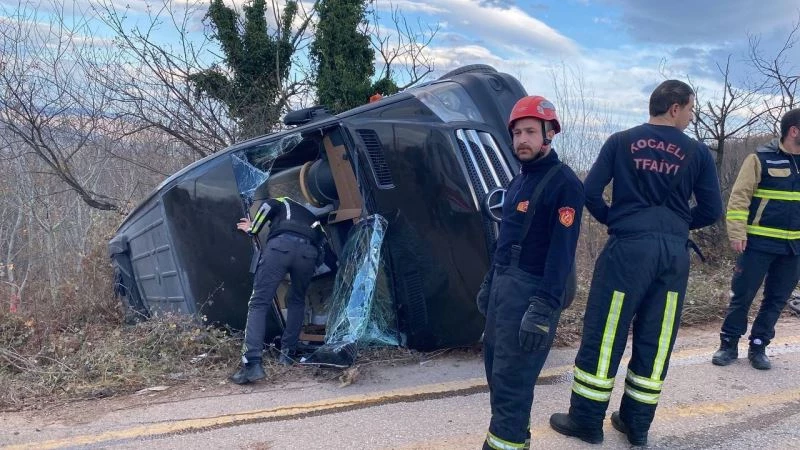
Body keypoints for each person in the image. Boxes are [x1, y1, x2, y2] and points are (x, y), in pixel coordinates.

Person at [548, 80, 723, 446]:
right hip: (673, 255)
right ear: (674, 107)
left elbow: (590, 193)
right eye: (690, 109)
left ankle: (586, 421)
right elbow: (711, 210)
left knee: (607, 331)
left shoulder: (620, 141)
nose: (691, 117)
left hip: (627, 249)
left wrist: (616, 219)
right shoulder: (699, 154)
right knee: (657, 339)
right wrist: (673, 226)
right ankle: (636, 425)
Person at [476, 95, 584, 450]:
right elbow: (505, 241)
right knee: (498, 375)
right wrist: (490, 282)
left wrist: (544, 307)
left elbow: (561, 254)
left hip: (531, 298)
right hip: (503, 294)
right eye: (517, 133)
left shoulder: (564, 183)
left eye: (530, 132)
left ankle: (503, 444)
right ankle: (515, 436)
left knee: (512, 386)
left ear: (549, 134)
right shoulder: (518, 181)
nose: (521, 140)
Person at [712, 108, 800, 370]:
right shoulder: (759, 158)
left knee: (776, 299)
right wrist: (737, 233)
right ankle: (728, 344)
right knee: (743, 295)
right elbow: (740, 197)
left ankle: (759, 345)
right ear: (794, 131)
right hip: (757, 243)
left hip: (794, 247)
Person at [229, 183, 326, 385]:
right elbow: (322, 242)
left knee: (258, 303)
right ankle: (288, 353)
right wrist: (312, 264)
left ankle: (252, 363)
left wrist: (253, 228)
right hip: (308, 254)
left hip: (281, 247)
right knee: (297, 300)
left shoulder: (282, 202)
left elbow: (267, 207)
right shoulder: (312, 217)